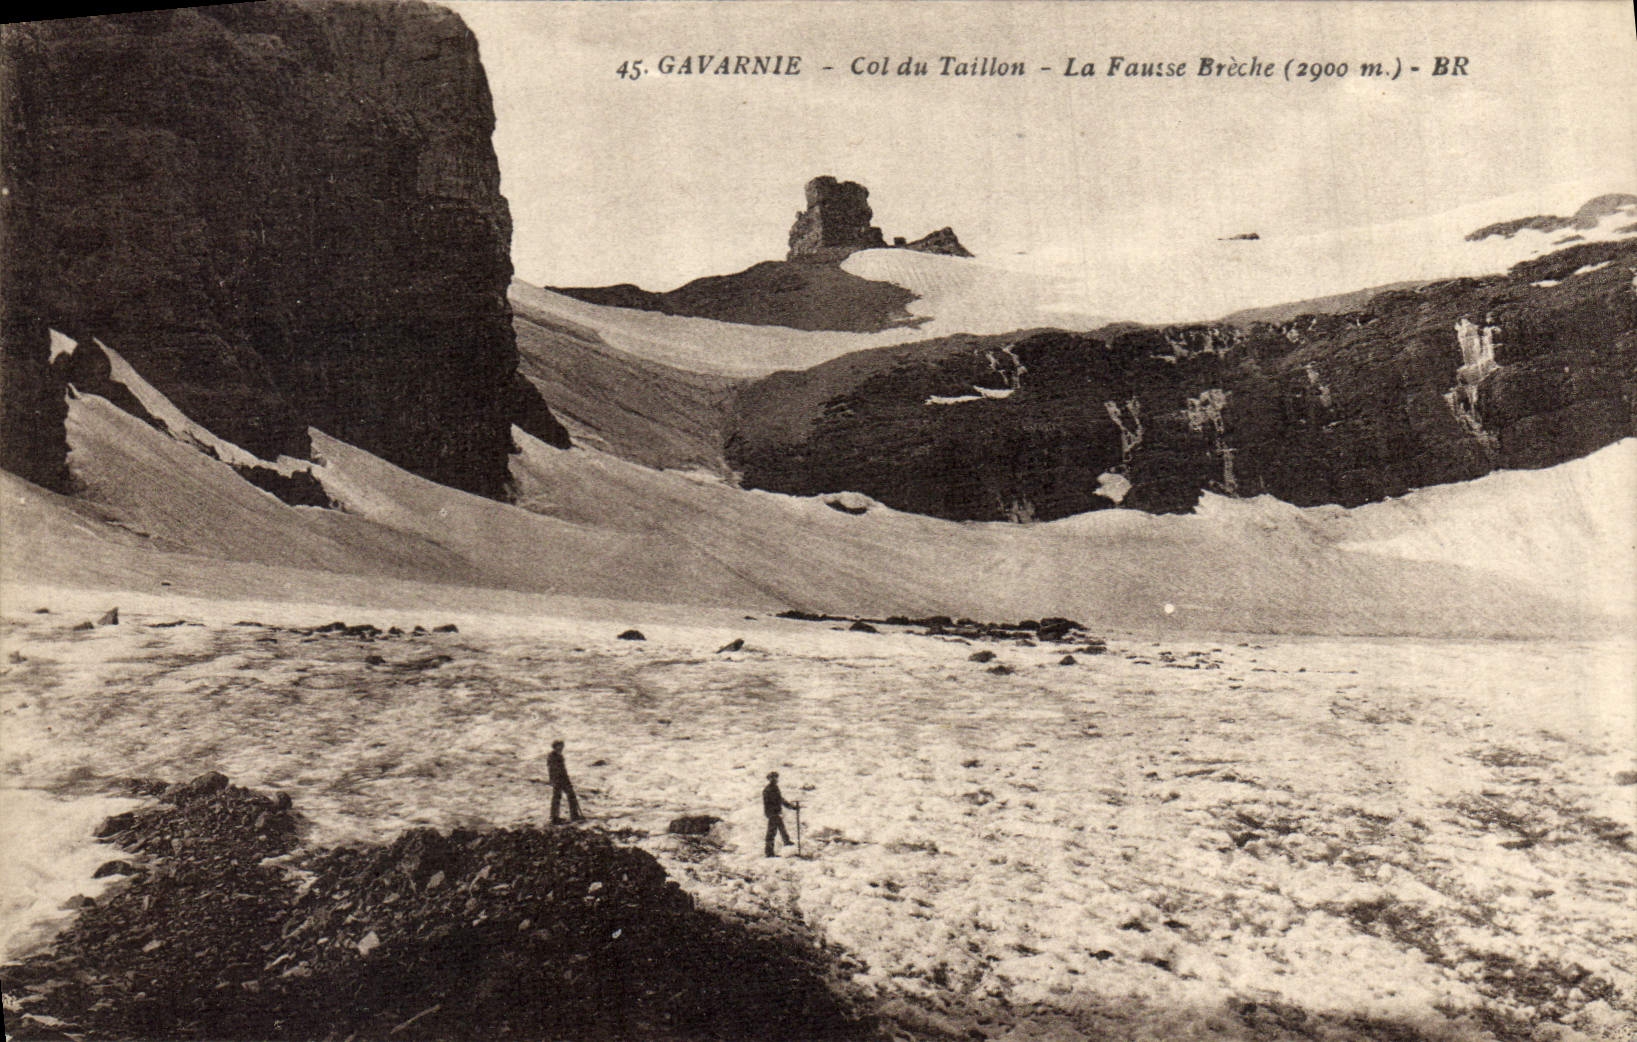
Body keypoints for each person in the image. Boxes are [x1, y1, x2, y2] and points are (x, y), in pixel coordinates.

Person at [762, 770, 799, 857]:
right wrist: (791, 806)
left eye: (775, 777)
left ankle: (785, 843)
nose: (775, 779)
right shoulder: (770, 789)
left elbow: (780, 800)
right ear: (769, 779)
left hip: (774, 813)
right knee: (773, 832)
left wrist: (791, 806)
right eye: (773, 778)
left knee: (777, 830)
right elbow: (777, 800)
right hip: (773, 813)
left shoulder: (774, 788)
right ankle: (771, 851)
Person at [547, 739, 584, 824]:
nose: (561, 748)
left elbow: (563, 770)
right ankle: (555, 817)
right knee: (558, 797)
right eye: (559, 746)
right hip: (558, 780)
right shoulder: (552, 756)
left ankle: (573, 815)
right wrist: (555, 780)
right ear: (555, 747)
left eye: (562, 746)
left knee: (570, 796)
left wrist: (567, 779)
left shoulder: (559, 756)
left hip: (562, 779)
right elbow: (553, 770)